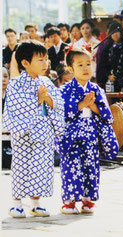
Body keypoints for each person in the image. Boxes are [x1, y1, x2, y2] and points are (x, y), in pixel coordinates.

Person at [3, 40, 65, 218]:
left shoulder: (46, 81)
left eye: (46, 59)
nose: (45, 63)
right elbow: (15, 107)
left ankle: (36, 203)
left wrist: (47, 100)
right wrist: (37, 100)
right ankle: (16, 203)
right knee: (21, 166)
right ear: (25, 63)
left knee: (42, 167)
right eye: (40, 60)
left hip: (43, 131)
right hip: (24, 134)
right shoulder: (15, 84)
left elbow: (57, 105)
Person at [58, 47, 119, 214]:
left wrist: (92, 105)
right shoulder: (64, 90)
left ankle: (87, 199)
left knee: (90, 166)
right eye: (80, 65)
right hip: (71, 135)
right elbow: (60, 113)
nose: (85, 68)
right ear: (70, 68)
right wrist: (81, 105)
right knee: (71, 167)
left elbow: (106, 114)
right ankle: (69, 202)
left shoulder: (97, 89)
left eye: (88, 64)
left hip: (90, 133)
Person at [97, 22, 123, 92]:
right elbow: (101, 67)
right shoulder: (106, 50)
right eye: (112, 33)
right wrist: (108, 76)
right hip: (110, 83)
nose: (115, 34)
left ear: (121, 33)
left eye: (117, 32)